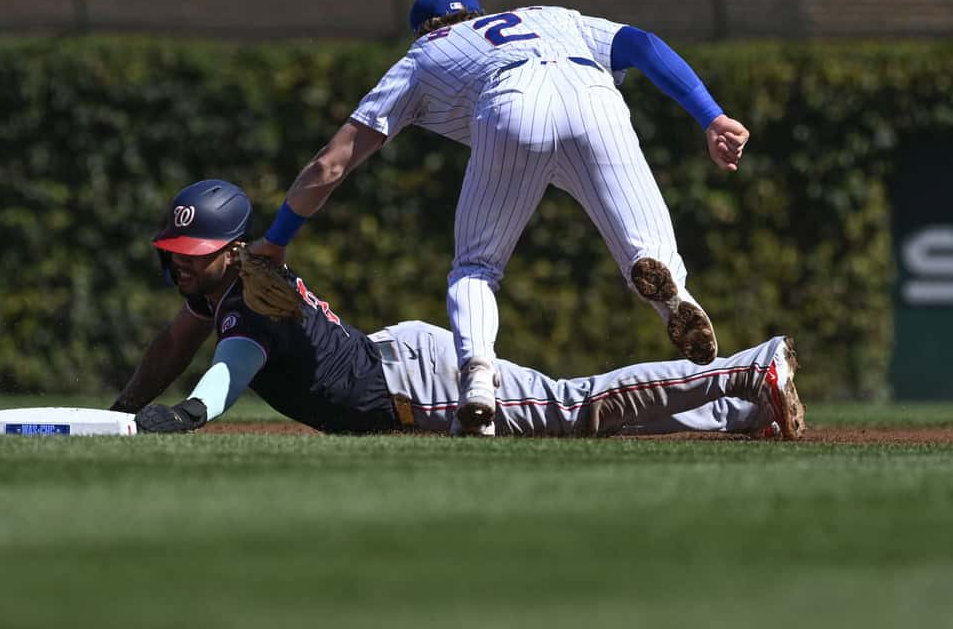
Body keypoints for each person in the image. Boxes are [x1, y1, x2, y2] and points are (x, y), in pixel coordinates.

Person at [249, 0, 750, 436]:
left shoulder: (424, 53)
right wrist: (712, 117)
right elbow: (643, 44)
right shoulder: (551, 16)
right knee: (648, 248)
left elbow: (331, 164)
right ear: (478, 13)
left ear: (423, 28)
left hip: (511, 106)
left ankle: (478, 384)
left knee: (477, 267)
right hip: (595, 97)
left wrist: (275, 240)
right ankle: (671, 292)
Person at [112, 179, 805, 441]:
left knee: (576, 407)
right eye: (174, 251)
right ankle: (743, 411)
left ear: (231, 250)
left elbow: (232, 364)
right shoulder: (227, 287)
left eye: (193, 252)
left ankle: (750, 369)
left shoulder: (246, 304)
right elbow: (175, 343)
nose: (181, 262)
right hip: (401, 364)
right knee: (570, 412)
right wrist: (125, 406)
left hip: (418, 389)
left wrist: (191, 412)